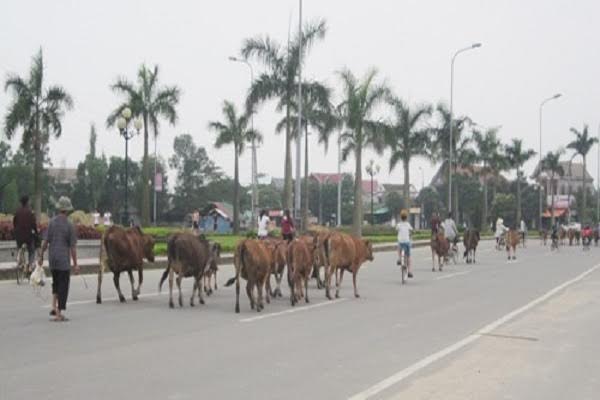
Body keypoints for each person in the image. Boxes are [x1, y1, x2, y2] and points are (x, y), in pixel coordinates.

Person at [39, 196, 79, 322]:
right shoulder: (70, 225)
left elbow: (45, 242)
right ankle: (59, 313)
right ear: (67, 210)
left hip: (53, 259)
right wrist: (75, 264)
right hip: (63, 261)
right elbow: (72, 247)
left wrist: (40, 256)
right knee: (63, 286)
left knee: (55, 284)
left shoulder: (51, 222)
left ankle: (53, 307)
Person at [13, 195, 39, 274]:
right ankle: (30, 265)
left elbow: (14, 223)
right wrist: (36, 232)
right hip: (28, 236)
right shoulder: (30, 212)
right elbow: (34, 224)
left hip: (18, 236)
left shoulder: (17, 212)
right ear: (27, 202)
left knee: (19, 246)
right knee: (31, 250)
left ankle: (19, 259)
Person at [396, 209, 414, 278]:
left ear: (401, 217)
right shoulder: (408, 224)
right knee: (408, 257)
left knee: (398, 245)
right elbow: (411, 230)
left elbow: (396, 229)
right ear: (406, 217)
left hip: (401, 243)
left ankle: (399, 259)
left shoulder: (399, 225)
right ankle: (409, 271)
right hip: (407, 242)